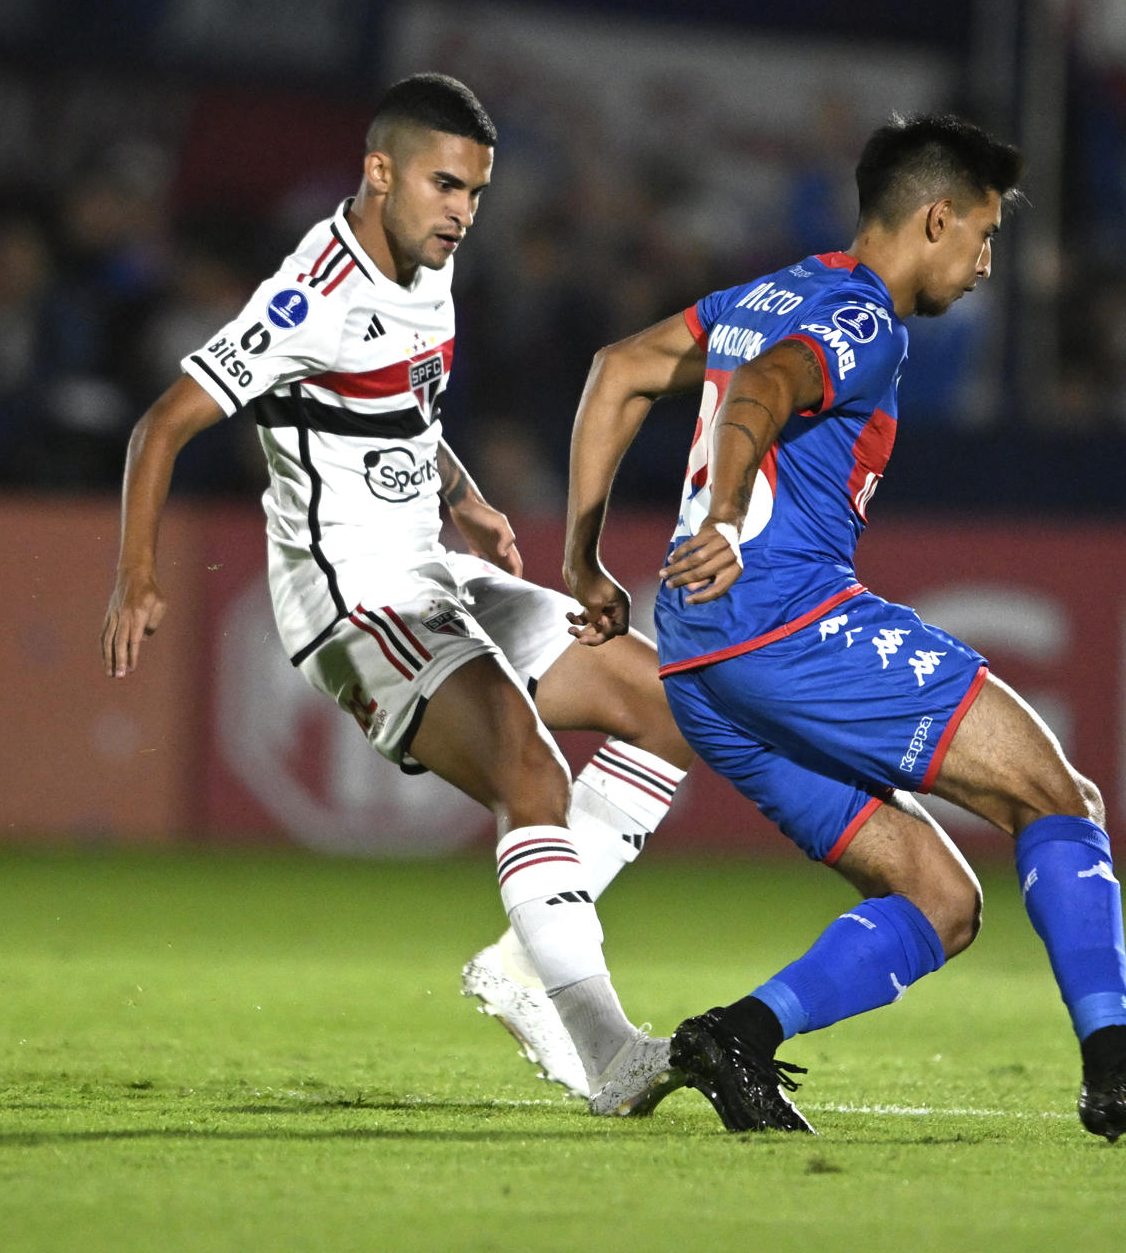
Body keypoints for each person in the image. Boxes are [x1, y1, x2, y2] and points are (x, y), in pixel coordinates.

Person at [562, 113, 1126, 1137]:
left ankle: (740, 1037)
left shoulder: (766, 292)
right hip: (783, 627)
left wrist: (583, 556)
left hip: (699, 660)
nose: (986, 266)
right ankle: (1115, 1063)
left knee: (942, 897)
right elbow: (762, 391)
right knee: (1054, 792)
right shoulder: (861, 318)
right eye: (983, 237)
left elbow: (618, 367)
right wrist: (721, 516)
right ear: (936, 218)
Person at [97, 73, 691, 1115]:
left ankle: (523, 960)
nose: (461, 211)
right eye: (444, 185)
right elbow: (164, 423)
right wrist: (138, 573)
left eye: (476, 192)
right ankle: (607, 1051)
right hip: (353, 602)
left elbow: (403, 405)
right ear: (380, 172)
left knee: (680, 710)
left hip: (433, 568)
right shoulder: (310, 296)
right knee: (529, 773)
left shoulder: (427, 267)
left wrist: (462, 493)